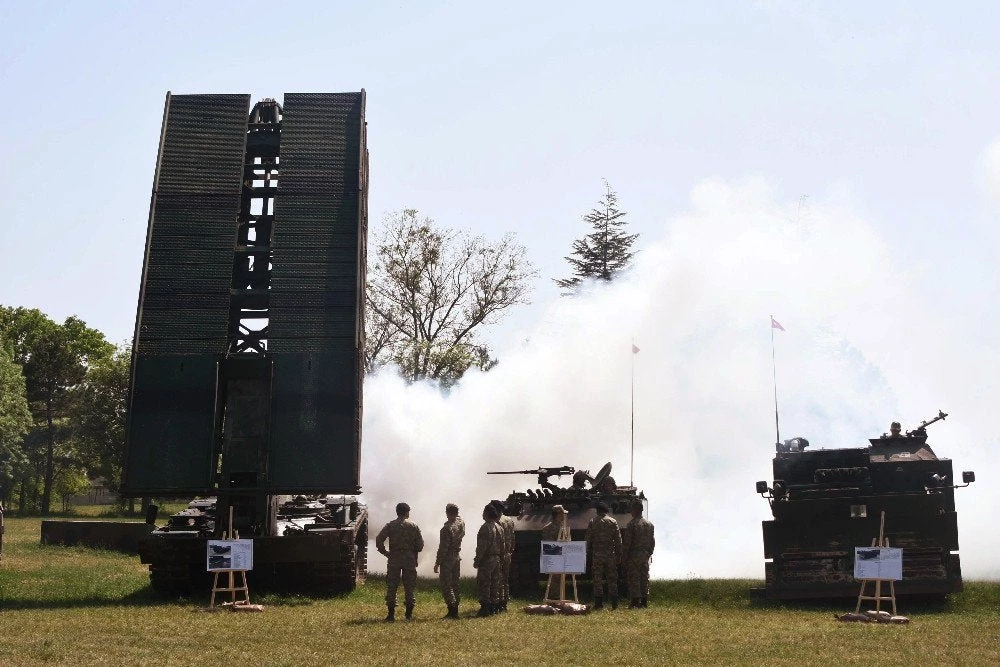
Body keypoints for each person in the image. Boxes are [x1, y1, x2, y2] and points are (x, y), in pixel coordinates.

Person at [376, 502, 424, 622]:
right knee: (409, 587)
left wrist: (385, 553)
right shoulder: (414, 526)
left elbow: (379, 539)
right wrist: (413, 552)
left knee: (392, 586)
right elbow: (420, 545)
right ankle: (408, 615)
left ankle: (391, 615)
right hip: (409, 559)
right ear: (407, 512)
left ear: (397, 512)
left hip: (394, 559)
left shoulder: (390, 525)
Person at [585, 501, 622, 609]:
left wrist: (586, 553)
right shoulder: (613, 521)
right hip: (610, 554)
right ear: (606, 511)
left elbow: (588, 539)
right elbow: (618, 540)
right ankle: (614, 604)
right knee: (612, 579)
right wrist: (619, 555)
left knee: (597, 579)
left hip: (597, 554)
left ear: (597, 511)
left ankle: (598, 604)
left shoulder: (593, 521)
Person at [620, 499, 655, 608]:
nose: (630, 511)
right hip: (645, 555)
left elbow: (627, 543)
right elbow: (652, 542)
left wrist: (624, 558)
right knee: (644, 578)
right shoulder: (649, 524)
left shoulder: (631, 524)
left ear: (635, 510)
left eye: (631, 509)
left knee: (634, 578)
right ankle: (644, 602)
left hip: (634, 555)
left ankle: (635, 601)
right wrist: (648, 553)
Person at [434, 503, 465, 619]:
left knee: (446, 584)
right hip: (457, 556)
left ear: (447, 513)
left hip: (448, 558)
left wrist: (437, 563)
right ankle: (455, 608)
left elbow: (443, 548)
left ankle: (452, 610)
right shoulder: (461, 523)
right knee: (455, 584)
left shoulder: (446, 529)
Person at [473, 503, 505, 616]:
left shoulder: (485, 527)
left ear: (487, 514)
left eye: (483, 512)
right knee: (495, 584)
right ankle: (493, 607)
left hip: (487, 559)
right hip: (497, 559)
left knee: (484, 583)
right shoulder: (499, 527)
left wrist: (477, 560)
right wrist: (500, 558)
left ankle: (484, 609)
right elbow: (503, 546)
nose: (482, 514)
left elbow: (482, 547)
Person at [490, 500, 515, 612]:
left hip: (499, 554)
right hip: (507, 554)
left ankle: (498, 603)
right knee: (505, 580)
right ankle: (504, 602)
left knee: (497, 580)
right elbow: (513, 537)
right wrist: (510, 551)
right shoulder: (509, 520)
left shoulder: (496, 522)